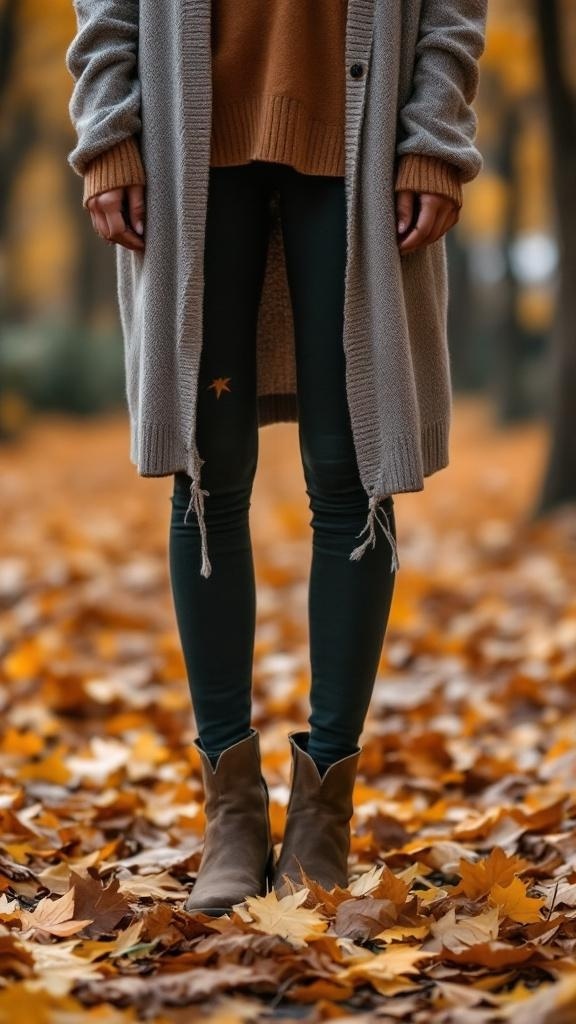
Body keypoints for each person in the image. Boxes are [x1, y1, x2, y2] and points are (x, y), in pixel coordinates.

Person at [66, 0, 487, 916]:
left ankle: (322, 813)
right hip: (184, 135)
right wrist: (107, 128)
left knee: (353, 472)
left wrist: (436, 135)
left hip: (364, 139)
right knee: (205, 476)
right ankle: (232, 812)